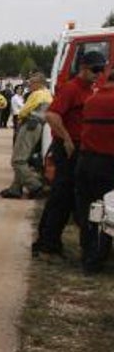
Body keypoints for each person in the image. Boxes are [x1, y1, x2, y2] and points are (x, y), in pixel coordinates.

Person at [32, 50, 104, 259]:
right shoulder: (71, 89)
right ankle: (47, 244)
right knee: (61, 197)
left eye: (101, 69)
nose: (98, 74)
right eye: (95, 69)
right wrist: (67, 139)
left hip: (81, 149)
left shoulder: (90, 89)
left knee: (66, 196)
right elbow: (52, 115)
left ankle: (50, 242)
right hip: (68, 150)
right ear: (83, 68)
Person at [76, 56, 113, 273]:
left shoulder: (92, 100)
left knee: (89, 210)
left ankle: (88, 254)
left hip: (87, 161)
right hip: (109, 164)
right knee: (108, 214)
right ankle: (99, 257)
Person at [0, 73, 51, 199]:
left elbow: (24, 111)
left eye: (31, 83)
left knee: (18, 160)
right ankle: (15, 188)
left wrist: (19, 120)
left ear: (39, 83)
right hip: (39, 126)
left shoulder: (37, 94)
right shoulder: (48, 94)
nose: (29, 86)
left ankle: (36, 186)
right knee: (24, 157)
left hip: (30, 125)